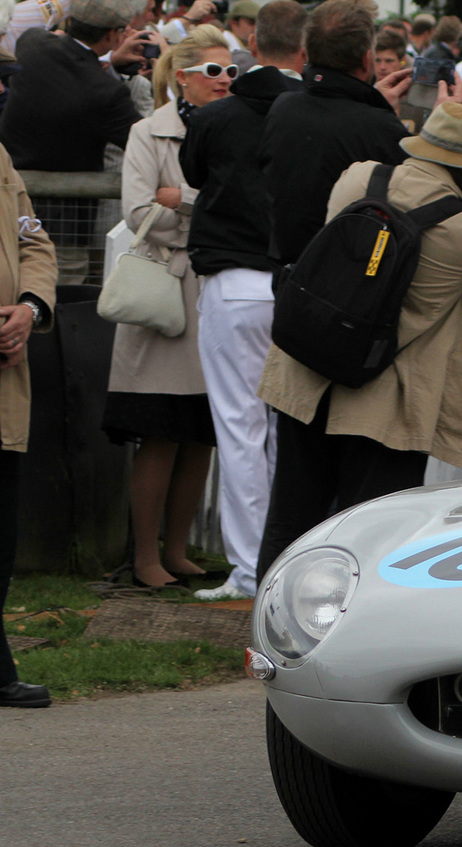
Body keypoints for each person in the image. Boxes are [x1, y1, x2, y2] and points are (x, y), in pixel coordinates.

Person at [255, 101, 462, 581]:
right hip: (387, 402)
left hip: (310, 376)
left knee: (293, 515)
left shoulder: (358, 179)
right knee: (370, 534)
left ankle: (268, 630)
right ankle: (346, 638)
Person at [179, 0, 306, 602]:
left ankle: (253, 568)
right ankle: (280, 559)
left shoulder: (220, 115)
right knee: (282, 428)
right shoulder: (309, 111)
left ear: (252, 42)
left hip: (235, 281)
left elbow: (195, 172)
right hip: (292, 281)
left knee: (240, 427)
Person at [102, 25, 231, 590]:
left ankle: (177, 551)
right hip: (164, 295)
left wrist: (187, 202)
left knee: (200, 430)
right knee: (158, 429)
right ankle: (145, 556)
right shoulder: (146, 132)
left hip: (214, 292)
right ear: (182, 77)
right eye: (213, 71)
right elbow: (137, 213)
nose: (225, 80)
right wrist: (203, 214)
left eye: (232, 71)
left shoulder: (238, 130)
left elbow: (243, 205)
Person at [0, 0, 150, 283]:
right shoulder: (106, 92)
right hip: (65, 226)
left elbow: (65, 59)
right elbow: (144, 145)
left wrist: (108, 61)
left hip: (8, 207)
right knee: (58, 307)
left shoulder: (31, 44)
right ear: (113, 35)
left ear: (69, 22)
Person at [258, 0, 415, 270]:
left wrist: (372, 103)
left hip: (289, 276)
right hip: (350, 285)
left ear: (306, 52)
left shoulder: (284, 107)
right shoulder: (381, 128)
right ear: (367, 60)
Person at [0, 141, 57, 708]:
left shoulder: (0, 157)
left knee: (1, 539)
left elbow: (32, 238)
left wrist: (28, 308)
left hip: (4, 380)